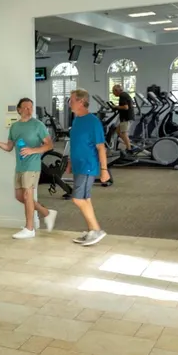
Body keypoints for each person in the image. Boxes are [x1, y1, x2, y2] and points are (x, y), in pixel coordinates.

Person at [0, 97, 58, 239]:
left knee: (27, 195)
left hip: (32, 166)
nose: (28, 110)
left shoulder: (38, 125)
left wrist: (32, 150)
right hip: (20, 167)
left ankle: (29, 228)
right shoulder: (15, 127)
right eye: (25, 107)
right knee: (19, 197)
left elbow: (49, 145)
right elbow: (9, 147)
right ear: (19, 110)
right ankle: (47, 213)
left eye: (30, 107)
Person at [67, 89, 110, 246]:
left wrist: (104, 170)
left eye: (71, 100)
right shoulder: (76, 120)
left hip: (88, 166)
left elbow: (101, 147)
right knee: (86, 199)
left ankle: (97, 230)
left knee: (77, 199)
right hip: (79, 165)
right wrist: (70, 162)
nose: (69, 103)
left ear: (81, 101)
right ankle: (92, 230)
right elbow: (76, 144)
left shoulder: (93, 122)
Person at [112, 84, 135, 152]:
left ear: (117, 90)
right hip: (125, 117)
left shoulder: (122, 95)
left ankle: (129, 149)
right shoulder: (124, 95)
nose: (113, 93)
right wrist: (117, 107)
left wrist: (116, 107)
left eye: (113, 91)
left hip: (126, 117)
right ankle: (128, 144)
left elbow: (125, 107)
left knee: (123, 133)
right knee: (118, 131)